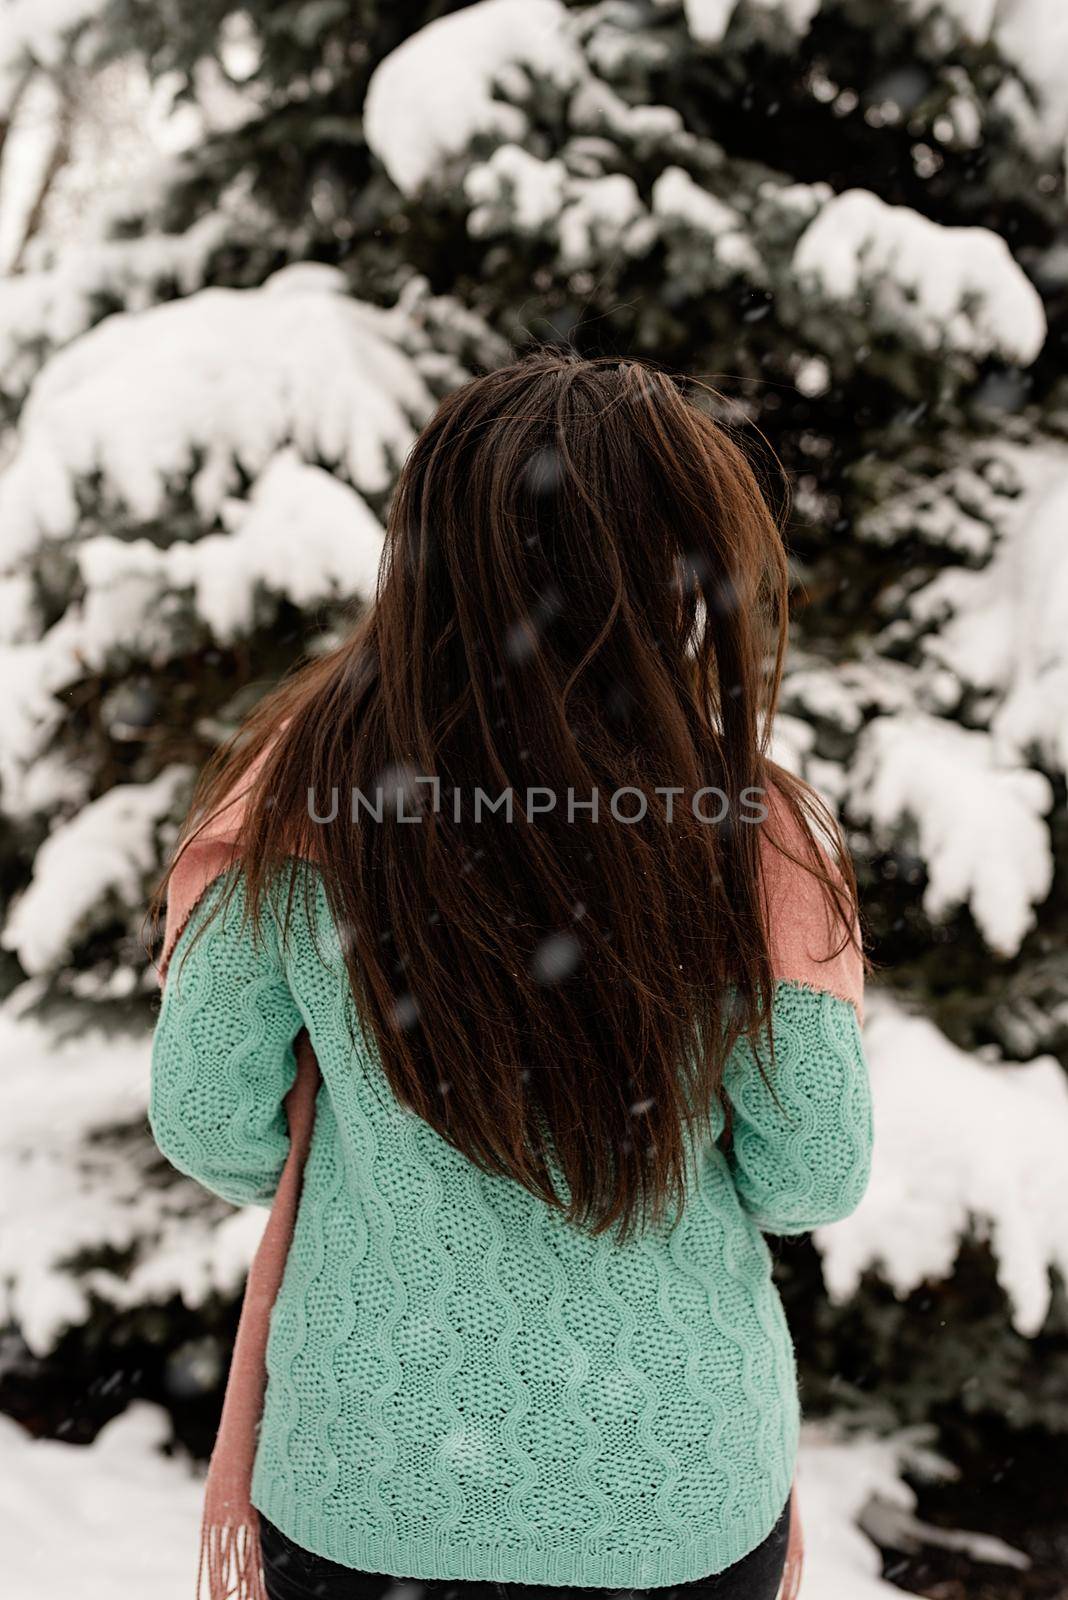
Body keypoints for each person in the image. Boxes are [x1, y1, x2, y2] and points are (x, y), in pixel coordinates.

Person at [149, 351, 873, 1600]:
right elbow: (812, 1171)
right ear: (678, 567)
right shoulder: (754, 836)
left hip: (371, 1469)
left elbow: (207, 1112)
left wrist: (400, 1174)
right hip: (673, 1483)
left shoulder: (301, 807)